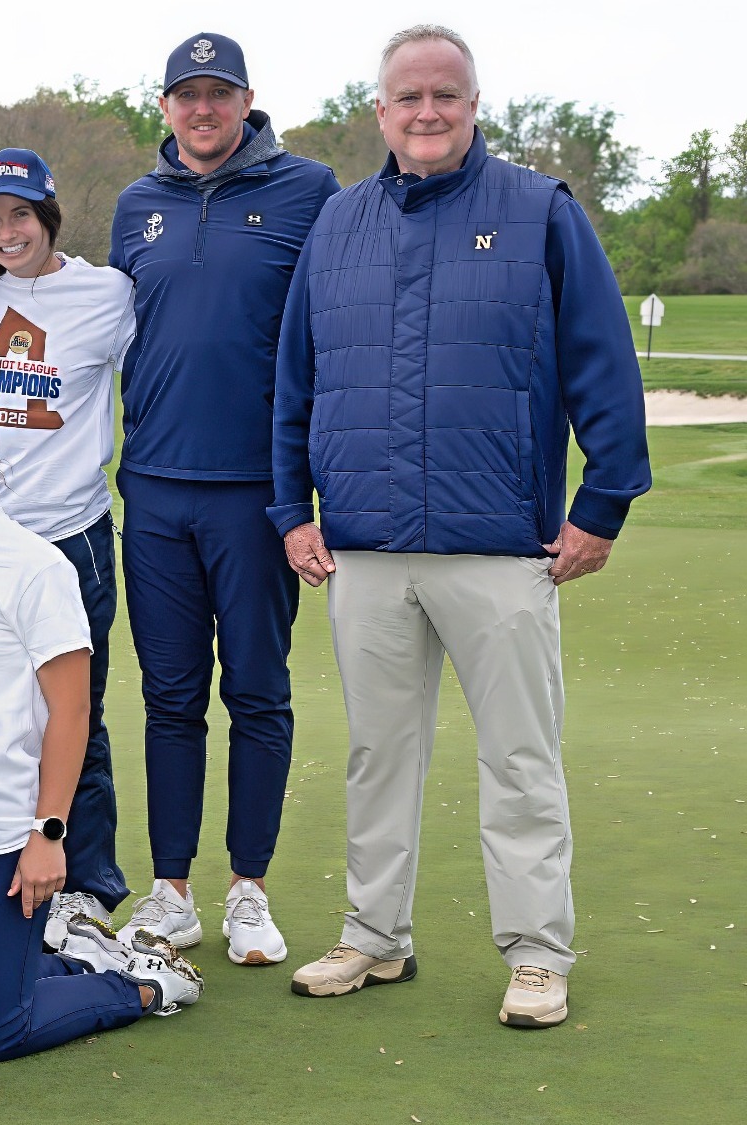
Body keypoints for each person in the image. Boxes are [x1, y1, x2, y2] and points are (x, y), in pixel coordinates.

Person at [270, 24, 651, 1029]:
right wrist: (290, 509)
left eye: (446, 94)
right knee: (376, 755)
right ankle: (374, 935)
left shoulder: (539, 210)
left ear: (474, 106)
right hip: (364, 547)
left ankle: (536, 954)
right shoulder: (336, 224)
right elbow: (296, 381)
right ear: (380, 111)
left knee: (519, 759)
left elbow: (602, 361)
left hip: (499, 545)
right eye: (409, 96)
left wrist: (602, 504)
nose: (427, 111)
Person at [106, 32, 341, 963]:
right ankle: (171, 892)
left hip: (256, 492)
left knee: (256, 690)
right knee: (169, 697)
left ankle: (250, 889)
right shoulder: (137, 205)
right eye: (186, 95)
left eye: (219, 93)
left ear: (247, 100)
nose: (202, 110)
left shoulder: (309, 190)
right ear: (165, 107)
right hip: (155, 488)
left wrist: (306, 495)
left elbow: (331, 333)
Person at [0, 396, 203, 1062]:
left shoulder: (34, 565)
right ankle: (74, 960)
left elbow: (73, 711)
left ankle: (141, 985)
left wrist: (48, 834)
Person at [0, 147, 137, 950]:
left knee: (75, 715)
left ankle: (86, 886)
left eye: (20, 214)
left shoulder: (107, 292)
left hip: (70, 537)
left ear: (49, 216)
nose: (7, 232)